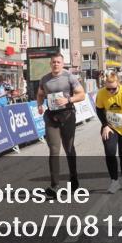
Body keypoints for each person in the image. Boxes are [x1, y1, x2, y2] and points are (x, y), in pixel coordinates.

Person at [36, 51, 87, 195]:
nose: (55, 64)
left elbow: (81, 94)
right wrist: (39, 105)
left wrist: (68, 100)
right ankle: (54, 186)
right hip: (52, 117)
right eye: (53, 62)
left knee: (69, 148)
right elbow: (40, 94)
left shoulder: (69, 77)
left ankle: (74, 179)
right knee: (53, 150)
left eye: (58, 62)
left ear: (62, 63)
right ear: (50, 63)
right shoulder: (44, 79)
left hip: (67, 115)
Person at [95, 70, 122, 193]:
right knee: (110, 152)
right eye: (108, 89)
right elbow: (99, 110)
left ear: (118, 84)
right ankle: (114, 181)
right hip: (110, 126)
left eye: (113, 89)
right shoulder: (102, 93)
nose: (111, 92)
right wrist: (105, 125)